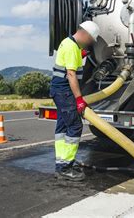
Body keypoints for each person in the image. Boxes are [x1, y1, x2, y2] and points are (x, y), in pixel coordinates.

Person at [50, 21, 100, 181]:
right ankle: (65, 167)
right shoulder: (72, 48)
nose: (90, 43)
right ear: (84, 34)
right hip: (65, 92)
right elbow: (71, 75)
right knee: (75, 126)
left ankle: (61, 163)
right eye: (91, 39)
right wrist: (79, 99)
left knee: (62, 127)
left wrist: (81, 55)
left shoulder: (67, 43)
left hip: (58, 91)